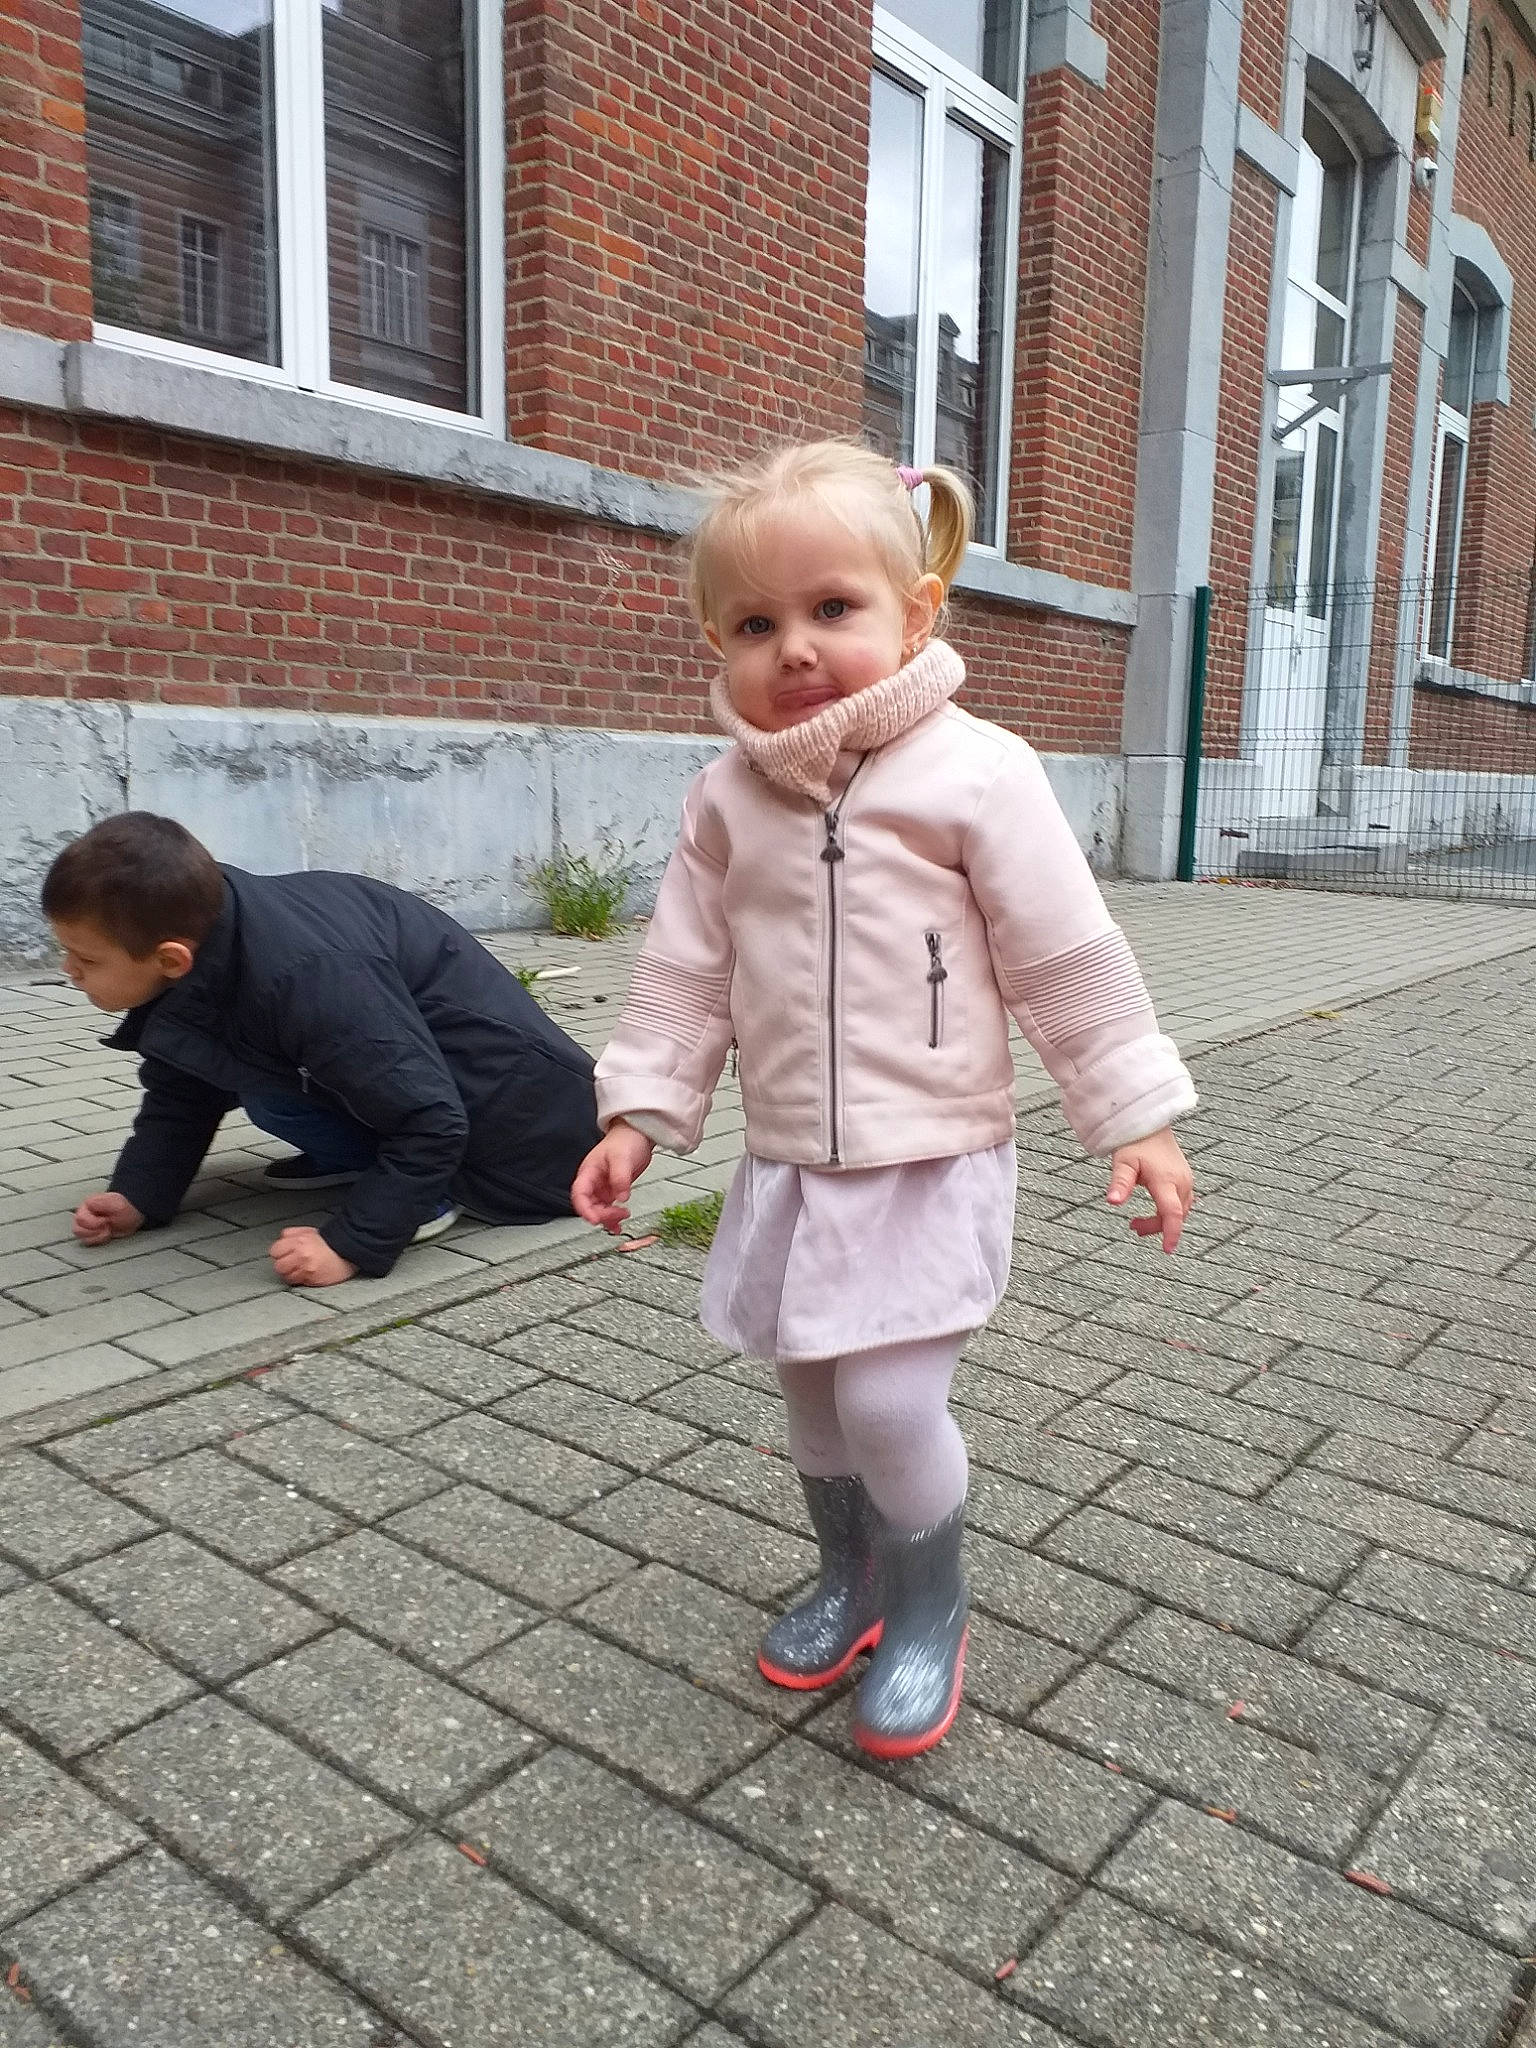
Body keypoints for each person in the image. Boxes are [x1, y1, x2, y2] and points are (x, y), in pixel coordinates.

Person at [571, 441, 1197, 1758]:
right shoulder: (725, 800)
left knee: (891, 1406)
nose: (794, 647)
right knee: (810, 1400)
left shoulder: (980, 771)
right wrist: (639, 1112)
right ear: (714, 639)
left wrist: (1132, 1110)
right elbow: (688, 973)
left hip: (931, 1159)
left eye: (832, 609)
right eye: (756, 623)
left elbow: (1064, 952)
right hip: (796, 1162)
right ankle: (850, 1579)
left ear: (917, 612)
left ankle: (930, 1607)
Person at [44, 814, 601, 1285]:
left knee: (302, 1093)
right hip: (432, 1082)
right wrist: (139, 1195)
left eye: (86, 960)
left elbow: (430, 1118)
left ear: (171, 959)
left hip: (533, 1142)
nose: (69, 971)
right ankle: (361, 1161)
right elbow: (184, 1085)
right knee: (264, 1087)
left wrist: (352, 1245)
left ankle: (424, 1196)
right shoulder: (209, 938)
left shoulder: (305, 980)